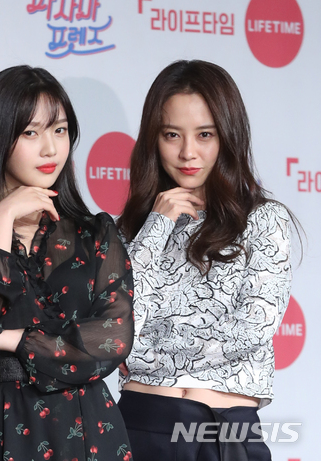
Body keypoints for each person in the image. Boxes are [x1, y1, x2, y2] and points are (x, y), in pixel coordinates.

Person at [0, 65, 134, 461]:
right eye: (31, 133)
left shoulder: (95, 233)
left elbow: (114, 339)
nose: (51, 149)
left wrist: (9, 340)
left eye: (60, 130)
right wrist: (2, 216)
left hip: (88, 426)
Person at [117, 59, 296, 461]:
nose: (188, 152)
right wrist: (156, 227)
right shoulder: (130, 231)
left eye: (205, 134)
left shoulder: (264, 220)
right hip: (139, 424)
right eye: (171, 135)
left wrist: (143, 354)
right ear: (153, 138)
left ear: (228, 136)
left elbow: (253, 326)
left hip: (226, 429)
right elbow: (117, 324)